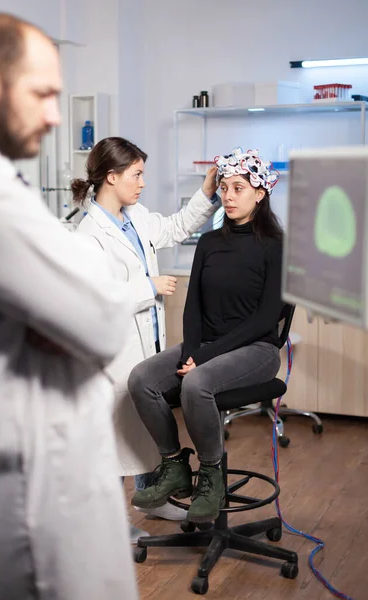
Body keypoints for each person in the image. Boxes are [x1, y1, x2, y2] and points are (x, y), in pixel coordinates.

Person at [0, 13, 138, 600]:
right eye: (43, 94)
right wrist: (78, 314)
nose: (57, 115)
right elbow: (104, 320)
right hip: (31, 487)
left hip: (47, 470)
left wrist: (70, 312)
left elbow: (94, 306)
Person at [73, 137, 219, 540]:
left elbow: (174, 227)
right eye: (136, 175)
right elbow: (95, 297)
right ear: (111, 176)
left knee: (143, 429)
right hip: (112, 352)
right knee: (114, 438)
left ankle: (154, 501)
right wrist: (147, 285)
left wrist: (207, 193)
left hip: (145, 344)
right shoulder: (89, 234)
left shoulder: (133, 216)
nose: (141, 183)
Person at [128, 147, 284, 524]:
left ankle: (211, 475)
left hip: (256, 349)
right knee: (142, 379)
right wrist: (191, 351)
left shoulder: (276, 246)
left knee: (196, 384)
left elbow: (266, 320)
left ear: (260, 194)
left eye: (239, 189)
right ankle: (174, 463)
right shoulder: (210, 242)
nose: (228, 196)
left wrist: (205, 357)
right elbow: (193, 306)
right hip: (208, 346)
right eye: (225, 188)